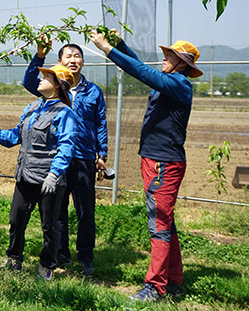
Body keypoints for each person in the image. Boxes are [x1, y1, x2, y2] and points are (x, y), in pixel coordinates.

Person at [90, 31, 203, 301]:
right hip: (155, 160)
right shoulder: (169, 81)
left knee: (159, 224)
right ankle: (174, 280)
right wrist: (121, 45)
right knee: (166, 223)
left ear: (183, 64)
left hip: (163, 164)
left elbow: (141, 72)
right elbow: (141, 67)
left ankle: (155, 286)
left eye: (171, 55)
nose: (164, 57)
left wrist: (108, 49)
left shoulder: (180, 85)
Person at [0, 65, 78, 281]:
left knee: (49, 226)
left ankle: (47, 265)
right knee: (16, 218)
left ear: (58, 84)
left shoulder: (64, 113)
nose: (40, 79)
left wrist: (54, 174)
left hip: (48, 179)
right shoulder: (32, 108)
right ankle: (14, 259)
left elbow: (66, 146)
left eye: (47, 76)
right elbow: (17, 134)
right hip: (25, 174)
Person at [22, 41, 108, 276]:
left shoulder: (93, 91)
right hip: (57, 158)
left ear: (83, 61)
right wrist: (39, 55)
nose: (73, 60)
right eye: (68, 56)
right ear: (59, 62)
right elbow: (29, 82)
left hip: (83, 157)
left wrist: (102, 154)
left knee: (85, 210)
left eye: (77, 56)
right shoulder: (53, 87)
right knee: (57, 211)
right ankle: (61, 254)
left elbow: (100, 123)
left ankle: (86, 257)